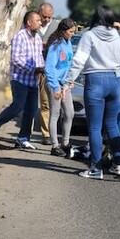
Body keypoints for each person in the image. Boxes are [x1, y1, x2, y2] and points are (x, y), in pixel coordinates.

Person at [65, 5, 120, 180]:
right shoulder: (118, 38)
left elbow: (79, 60)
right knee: (112, 125)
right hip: (115, 81)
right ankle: (118, 164)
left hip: (95, 81)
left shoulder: (89, 36)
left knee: (95, 127)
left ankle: (96, 168)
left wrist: (68, 80)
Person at [0, 11, 45, 149]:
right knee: (18, 106)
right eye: (37, 20)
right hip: (19, 79)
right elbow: (16, 59)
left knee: (31, 110)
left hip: (33, 80)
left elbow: (38, 57)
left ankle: (23, 137)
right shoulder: (20, 36)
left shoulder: (37, 38)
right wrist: (34, 68)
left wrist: (43, 67)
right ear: (29, 22)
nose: (40, 22)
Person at [44, 18, 77, 157]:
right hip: (54, 84)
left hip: (65, 85)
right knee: (55, 114)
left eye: (74, 32)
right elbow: (49, 68)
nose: (72, 34)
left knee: (70, 113)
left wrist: (69, 81)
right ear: (63, 31)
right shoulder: (55, 46)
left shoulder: (68, 43)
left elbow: (69, 64)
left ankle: (65, 142)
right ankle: (54, 145)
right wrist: (56, 87)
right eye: (70, 32)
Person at [36, 2, 59, 145]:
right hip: (32, 68)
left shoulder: (55, 27)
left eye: (49, 17)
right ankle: (24, 133)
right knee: (28, 102)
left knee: (46, 104)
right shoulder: (32, 23)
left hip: (47, 70)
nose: (46, 20)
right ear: (39, 13)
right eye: (44, 16)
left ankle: (46, 134)